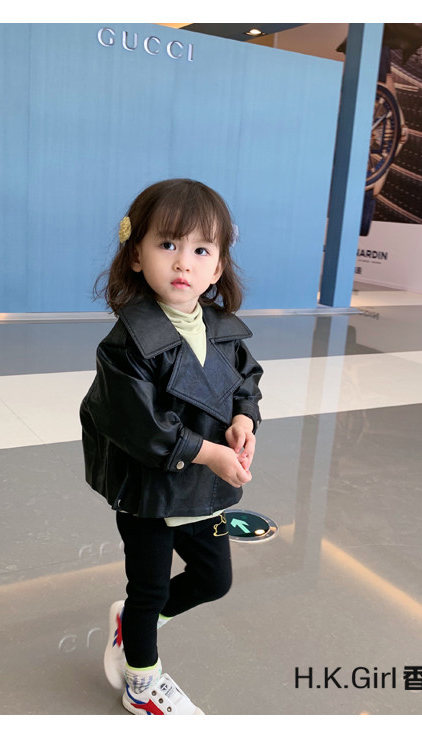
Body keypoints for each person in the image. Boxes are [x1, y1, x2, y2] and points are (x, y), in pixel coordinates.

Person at [80, 178, 263, 715]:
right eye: (167, 244)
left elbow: (246, 383)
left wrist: (244, 420)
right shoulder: (127, 344)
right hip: (151, 491)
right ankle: (141, 684)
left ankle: (133, 625)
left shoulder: (224, 330)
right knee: (150, 591)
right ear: (136, 255)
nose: (184, 262)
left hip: (204, 486)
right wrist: (212, 454)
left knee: (213, 579)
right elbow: (144, 427)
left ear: (218, 266)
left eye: (202, 250)